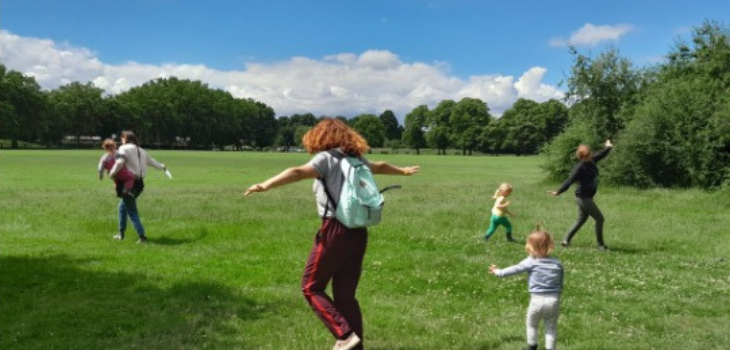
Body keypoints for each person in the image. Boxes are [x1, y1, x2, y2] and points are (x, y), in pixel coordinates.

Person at [244, 118, 419, 350]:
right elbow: (381, 165)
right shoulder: (356, 158)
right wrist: (404, 172)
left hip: (334, 231)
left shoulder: (326, 158)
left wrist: (266, 184)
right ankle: (355, 347)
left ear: (321, 137)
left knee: (311, 287)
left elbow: (297, 172)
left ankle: (345, 336)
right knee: (345, 297)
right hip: (358, 232)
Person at [489, 226, 564, 350]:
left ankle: (532, 347)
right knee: (550, 327)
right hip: (553, 300)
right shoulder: (557, 263)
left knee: (532, 325)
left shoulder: (531, 261)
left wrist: (499, 272)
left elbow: (515, 269)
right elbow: (560, 282)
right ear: (550, 245)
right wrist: (557, 294)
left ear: (530, 247)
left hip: (536, 300)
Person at [547, 140, 613, 250]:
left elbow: (601, 154)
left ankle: (565, 241)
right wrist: (558, 192)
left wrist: (608, 147)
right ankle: (601, 245)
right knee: (600, 219)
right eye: (589, 154)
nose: (591, 154)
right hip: (583, 198)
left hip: (587, 197)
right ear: (582, 156)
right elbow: (569, 181)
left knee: (581, 219)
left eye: (591, 153)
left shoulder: (591, 161)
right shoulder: (579, 168)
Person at [109, 130, 167, 244]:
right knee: (122, 208)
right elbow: (152, 162)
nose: (121, 140)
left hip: (128, 184)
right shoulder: (141, 150)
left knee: (132, 212)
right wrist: (162, 166)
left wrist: (112, 173)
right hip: (139, 185)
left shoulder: (124, 148)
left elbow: (120, 162)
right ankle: (121, 234)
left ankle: (142, 237)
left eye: (122, 138)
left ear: (125, 139)